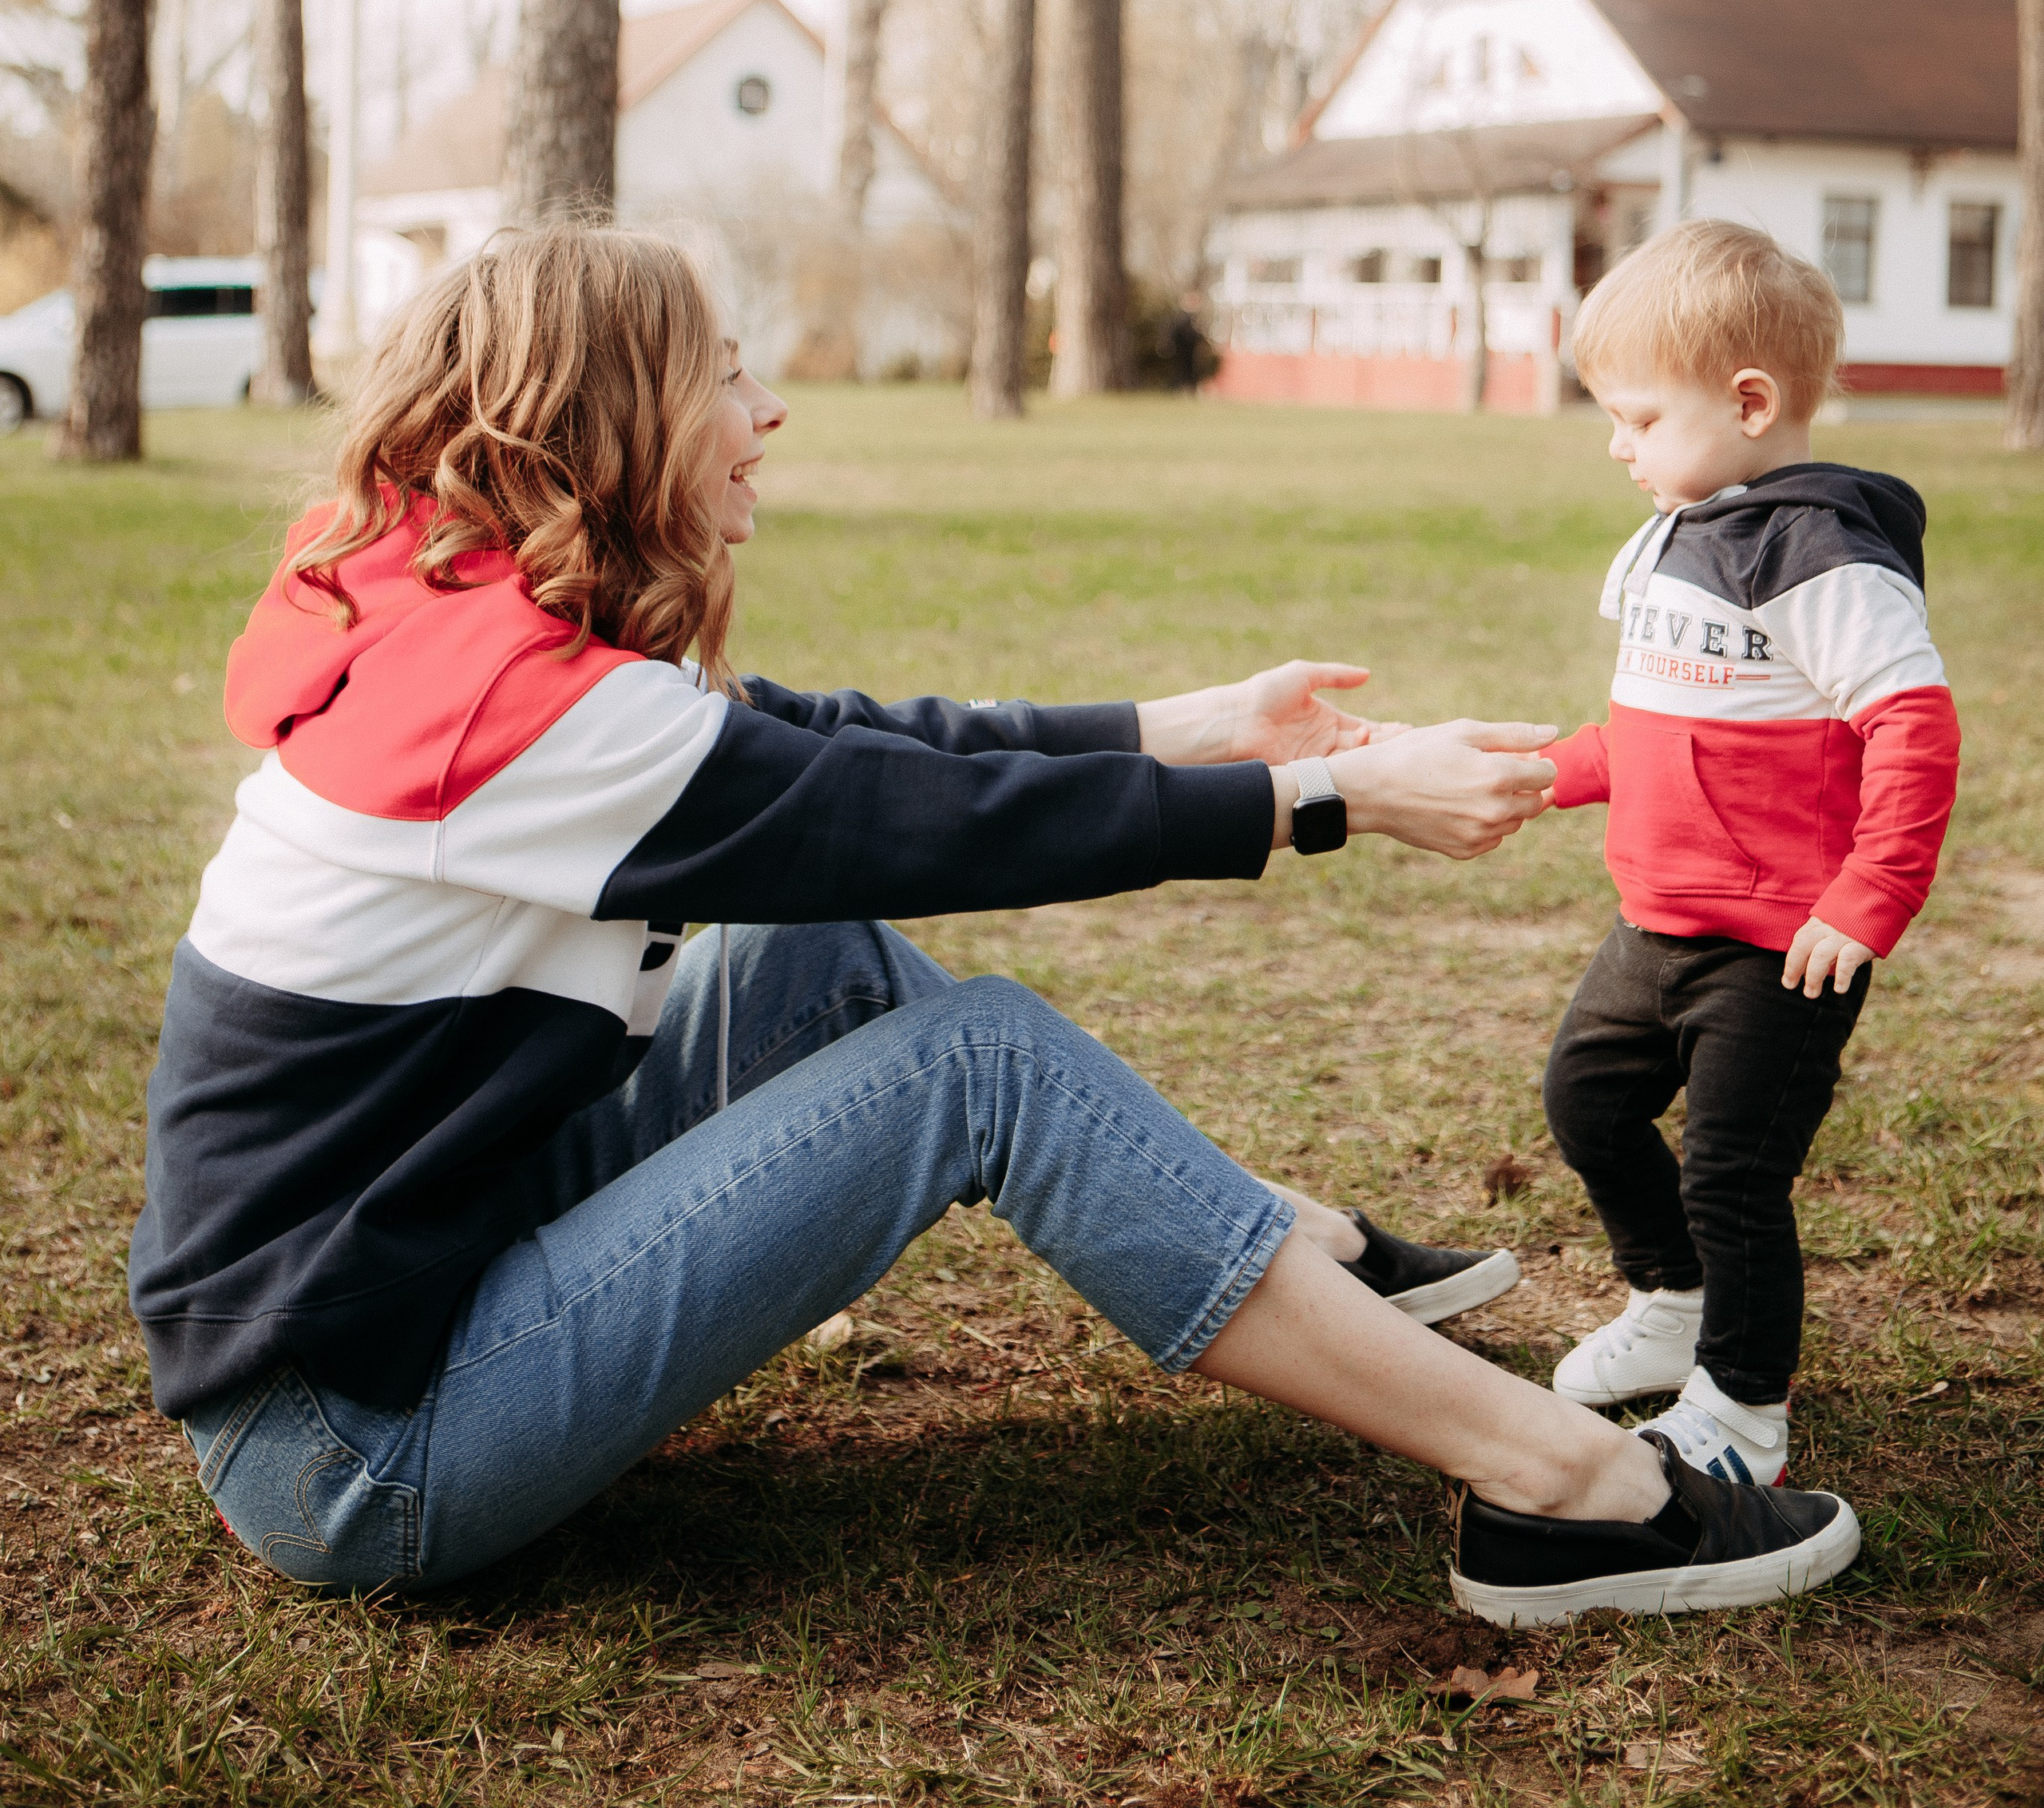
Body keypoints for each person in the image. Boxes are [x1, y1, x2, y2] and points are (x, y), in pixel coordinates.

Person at [129, 228, 1859, 1620]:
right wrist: (1331, 797)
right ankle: (1560, 1492)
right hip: (360, 1444)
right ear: (613, 419)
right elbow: (924, 819)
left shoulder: (474, 628)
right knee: (983, 1066)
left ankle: (1282, 1242)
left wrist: (1187, 725)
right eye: (725, 374)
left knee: (818, 956)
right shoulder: (538, 720)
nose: (764, 411)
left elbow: (842, 749)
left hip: (402, 1289)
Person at [1539, 220, 1959, 1487]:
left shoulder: (1825, 560)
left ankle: (1743, 1413)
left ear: (1752, 402)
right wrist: (1539, 775)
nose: (1618, 445)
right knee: (1587, 1101)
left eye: (1638, 417)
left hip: (1782, 947)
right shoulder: (1670, 536)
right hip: (1655, 920)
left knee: (1733, 1173)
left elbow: (1914, 730)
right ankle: (1670, 1303)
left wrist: (1867, 898)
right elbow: (1649, 734)